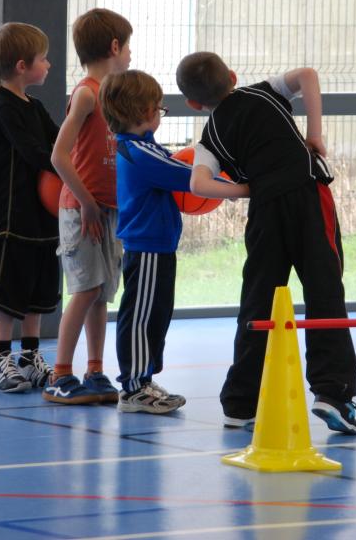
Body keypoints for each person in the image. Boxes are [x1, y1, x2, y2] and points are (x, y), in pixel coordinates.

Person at [176, 52, 356, 434]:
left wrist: (248, 189)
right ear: (232, 75)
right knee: (325, 291)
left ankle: (240, 403)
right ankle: (333, 392)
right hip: (308, 197)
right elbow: (308, 74)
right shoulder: (265, 93)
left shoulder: (209, 139)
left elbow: (198, 185)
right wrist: (315, 134)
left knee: (258, 302)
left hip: (265, 212)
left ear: (194, 104)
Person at [100, 70, 248, 413]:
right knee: (141, 317)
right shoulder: (138, 152)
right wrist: (241, 189)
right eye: (158, 108)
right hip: (147, 247)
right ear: (142, 113)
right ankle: (134, 387)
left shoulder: (145, 147)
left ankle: (144, 379)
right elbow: (189, 179)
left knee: (157, 314)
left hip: (160, 246)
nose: (160, 114)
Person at [44, 9, 133, 405]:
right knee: (84, 289)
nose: (131, 55)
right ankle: (59, 373)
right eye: (128, 46)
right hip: (82, 210)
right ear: (114, 47)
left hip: (108, 208)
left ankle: (95, 370)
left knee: (101, 293)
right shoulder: (86, 93)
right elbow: (59, 156)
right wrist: (86, 203)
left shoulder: (114, 95)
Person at [0, 22, 61, 393]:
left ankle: (30, 356)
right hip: (12, 216)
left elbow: (58, 139)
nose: (48, 65)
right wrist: (64, 164)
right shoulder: (4, 108)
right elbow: (36, 152)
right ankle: (0, 359)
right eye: (42, 59)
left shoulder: (36, 106)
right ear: (20, 65)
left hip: (43, 215)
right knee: (9, 290)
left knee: (36, 288)